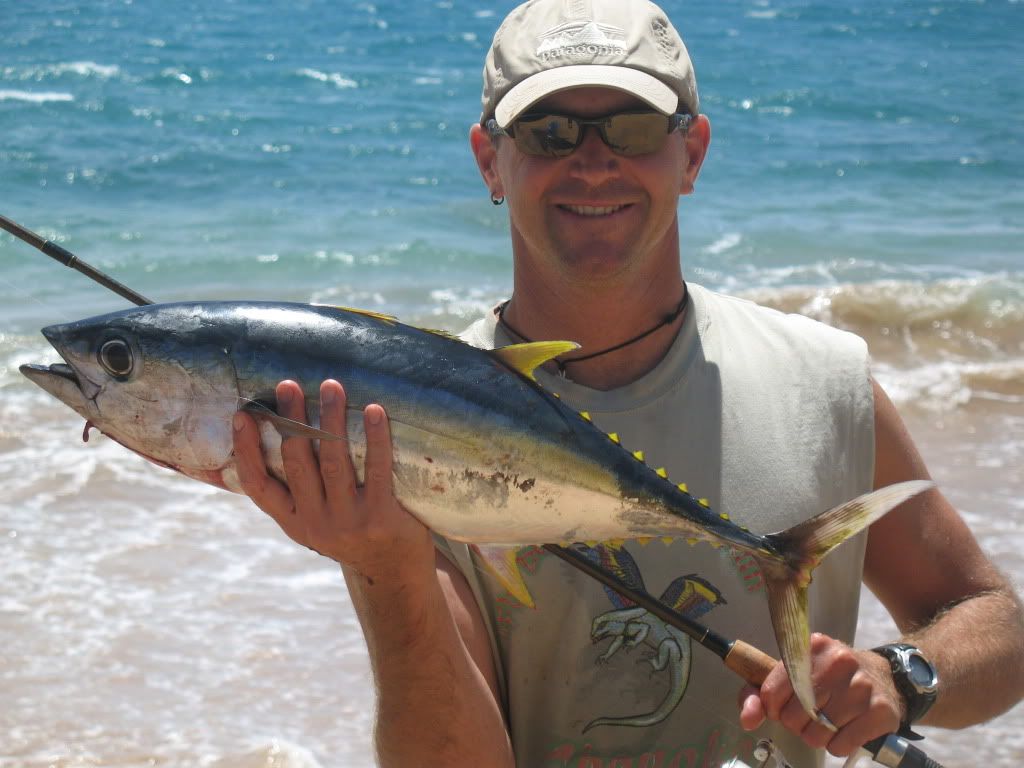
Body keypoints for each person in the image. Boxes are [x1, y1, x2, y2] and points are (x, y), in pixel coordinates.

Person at [231, 0, 1024, 765]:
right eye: (548, 131)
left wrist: (901, 677)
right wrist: (386, 570)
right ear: (489, 160)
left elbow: (999, 627)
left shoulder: (823, 384)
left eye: (634, 126)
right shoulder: (393, 424)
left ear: (693, 154)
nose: (593, 160)